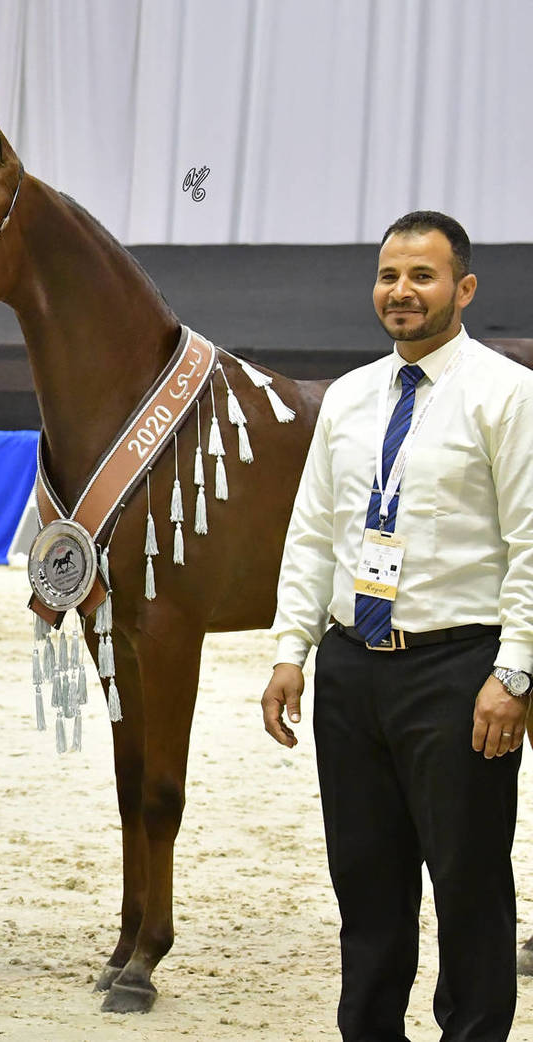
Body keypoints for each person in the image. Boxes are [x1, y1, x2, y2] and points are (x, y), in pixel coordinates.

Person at [260, 211, 533, 1041]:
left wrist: (515, 672)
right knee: (367, 887)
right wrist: (289, 652)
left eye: (422, 275)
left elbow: (532, 540)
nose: (402, 292)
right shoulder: (347, 398)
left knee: (469, 887)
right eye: (389, 276)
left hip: (461, 674)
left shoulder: (507, 395)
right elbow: (313, 532)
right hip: (351, 673)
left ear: (464, 288)